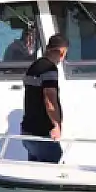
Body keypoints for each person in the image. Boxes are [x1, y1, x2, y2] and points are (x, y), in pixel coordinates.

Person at [20, 34, 69, 164]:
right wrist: (56, 125)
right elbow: (50, 100)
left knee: (35, 171)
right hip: (42, 133)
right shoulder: (49, 69)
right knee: (56, 168)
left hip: (27, 132)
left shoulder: (33, 67)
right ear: (62, 52)